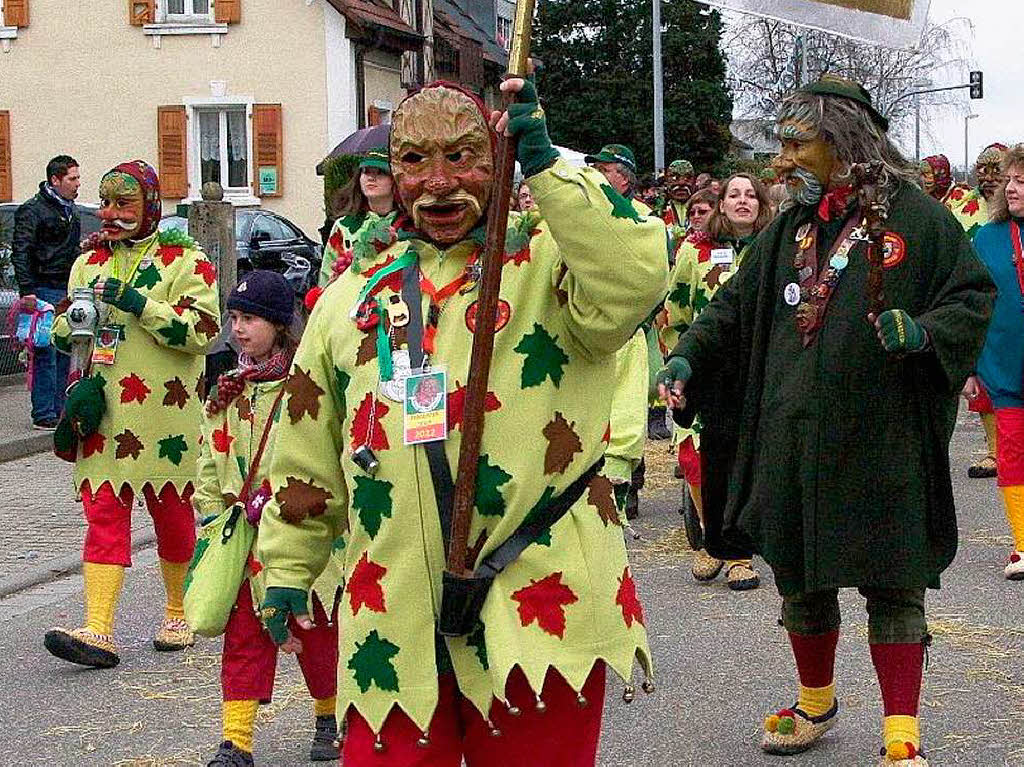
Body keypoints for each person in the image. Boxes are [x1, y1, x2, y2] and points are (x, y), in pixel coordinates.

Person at [255, 78, 664, 766]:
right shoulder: (352, 296)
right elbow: (307, 446)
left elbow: (637, 273)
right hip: (394, 611)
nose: (439, 183)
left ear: (498, 159)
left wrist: (549, 165)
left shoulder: (551, 268)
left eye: (464, 155)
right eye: (415, 161)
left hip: (538, 601)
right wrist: (287, 565)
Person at [658, 76, 994, 765]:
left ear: (842, 139)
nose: (780, 160)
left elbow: (971, 295)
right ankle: (816, 701)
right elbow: (733, 309)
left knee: (893, 578)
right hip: (793, 435)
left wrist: (925, 332)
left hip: (883, 438)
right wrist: (688, 359)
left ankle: (902, 732)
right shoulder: (790, 226)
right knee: (801, 575)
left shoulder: (917, 219)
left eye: (794, 142)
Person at [44, 160, 221, 669]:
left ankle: (177, 611)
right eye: (107, 203)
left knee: (171, 514)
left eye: (125, 204)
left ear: (150, 207)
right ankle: (98, 629)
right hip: (104, 415)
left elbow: (205, 333)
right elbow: (68, 335)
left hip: (165, 418)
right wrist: (66, 327)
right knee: (102, 514)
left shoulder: (184, 262)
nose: (113, 214)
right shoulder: (88, 264)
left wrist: (141, 304)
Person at [196, 271, 342, 766]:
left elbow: (321, 457)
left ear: (280, 326)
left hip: (300, 535)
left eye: (250, 318)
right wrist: (214, 521)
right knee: (243, 638)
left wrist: (283, 500)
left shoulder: (305, 386)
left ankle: (329, 713)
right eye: (234, 317)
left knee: (316, 635)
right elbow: (207, 462)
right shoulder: (227, 392)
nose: (238, 328)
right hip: (244, 541)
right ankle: (235, 742)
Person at [662, 173, 773, 591]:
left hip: (760, 372)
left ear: (761, 204)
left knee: (753, 459)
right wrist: (681, 364)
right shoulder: (695, 250)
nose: (743, 201)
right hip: (709, 372)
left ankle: (741, 554)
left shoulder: (775, 250)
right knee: (704, 461)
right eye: (734, 195)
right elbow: (675, 310)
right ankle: (715, 540)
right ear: (721, 203)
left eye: (750, 195)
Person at [967, 144, 1024, 581]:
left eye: (1021, 180)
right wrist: (968, 365)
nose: (1011, 187)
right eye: (1010, 180)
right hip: (1004, 367)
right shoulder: (984, 239)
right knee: (1012, 453)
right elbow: (968, 305)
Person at [947, 143, 1008, 479]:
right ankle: (994, 450)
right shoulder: (962, 206)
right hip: (977, 304)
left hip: (1011, 305)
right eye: (981, 170)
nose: (987, 177)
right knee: (983, 384)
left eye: (994, 169)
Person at [11, 155, 82, 429]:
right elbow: (22, 250)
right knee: (45, 351)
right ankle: (44, 412)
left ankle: (61, 408)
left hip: (65, 288)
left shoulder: (70, 210)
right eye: (72, 179)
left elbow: (68, 247)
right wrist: (27, 290)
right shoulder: (33, 210)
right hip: (42, 288)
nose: (77, 184)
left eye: (77, 177)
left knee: (65, 348)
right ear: (55, 180)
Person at [317, 149, 398, 287]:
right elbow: (326, 278)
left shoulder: (409, 225)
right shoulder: (344, 226)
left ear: (395, 180)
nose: (371, 178)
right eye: (366, 171)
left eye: (381, 172)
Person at [659, 159, 695, 229]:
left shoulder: (705, 209)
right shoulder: (655, 209)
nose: (681, 182)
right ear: (666, 181)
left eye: (688, 177)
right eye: (675, 178)